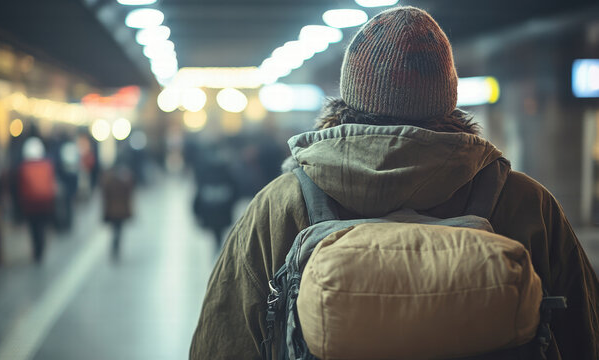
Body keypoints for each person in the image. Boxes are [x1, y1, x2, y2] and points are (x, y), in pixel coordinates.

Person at [190, 6, 598, 359]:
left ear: (349, 95)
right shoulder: (526, 203)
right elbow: (585, 336)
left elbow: (223, 343)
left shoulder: (281, 205)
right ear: (448, 97)